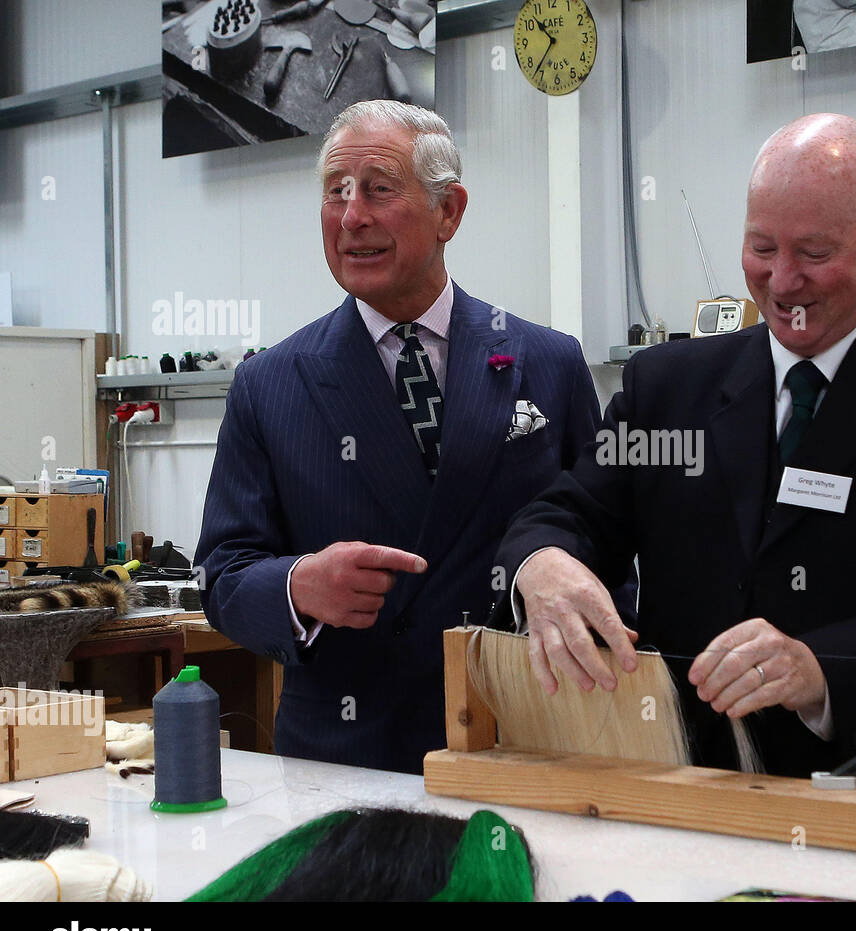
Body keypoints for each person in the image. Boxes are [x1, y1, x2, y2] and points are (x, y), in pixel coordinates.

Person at [497, 114, 856, 798]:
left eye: (815, 252)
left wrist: (821, 668)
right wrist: (541, 564)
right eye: (762, 247)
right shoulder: (666, 387)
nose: (783, 282)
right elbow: (570, 512)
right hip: (701, 793)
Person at [196, 100, 603, 774]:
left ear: (450, 210)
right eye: (336, 192)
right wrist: (297, 585)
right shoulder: (268, 386)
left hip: (528, 747)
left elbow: (606, 539)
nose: (352, 216)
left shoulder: (549, 362)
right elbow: (222, 573)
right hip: (346, 762)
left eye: (380, 189)